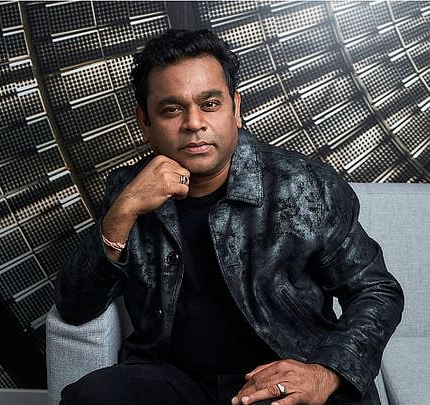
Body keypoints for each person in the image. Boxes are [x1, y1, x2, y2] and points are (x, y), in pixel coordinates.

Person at [55, 29, 403, 405]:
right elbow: (75, 307)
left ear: (235, 109)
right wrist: (123, 211)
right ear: (145, 122)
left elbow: (376, 290)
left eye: (210, 104)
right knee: (91, 397)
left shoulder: (303, 185)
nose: (194, 123)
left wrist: (325, 372)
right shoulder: (129, 189)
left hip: (281, 375)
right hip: (175, 380)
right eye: (171, 110)